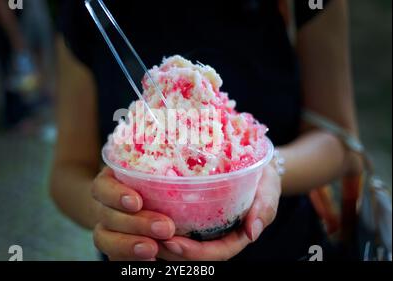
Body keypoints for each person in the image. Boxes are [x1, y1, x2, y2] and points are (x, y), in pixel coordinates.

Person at [51, 0, 361, 260]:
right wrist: (107, 214)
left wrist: (269, 170)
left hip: (284, 248)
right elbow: (67, 170)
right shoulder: (86, 8)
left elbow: (343, 144)